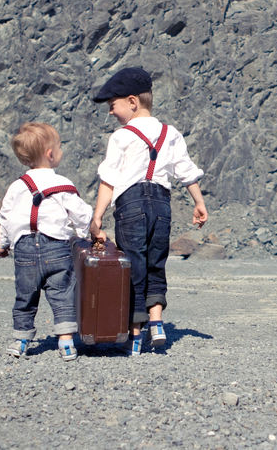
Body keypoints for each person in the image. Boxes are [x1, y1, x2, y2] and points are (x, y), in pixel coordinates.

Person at [90, 67, 207, 356]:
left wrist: (97, 216)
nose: (110, 112)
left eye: (112, 105)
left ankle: (134, 336)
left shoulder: (121, 137)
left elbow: (109, 180)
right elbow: (186, 171)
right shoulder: (171, 133)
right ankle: (157, 324)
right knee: (156, 263)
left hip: (131, 206)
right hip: (162, 206)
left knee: (133, 267)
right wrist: (199, 202)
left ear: (132, 102)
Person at [0, 122, 93, 361]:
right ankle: (67, 343)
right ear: (50, 154)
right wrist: (84, 234)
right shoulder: (63, 185)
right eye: (59, 146)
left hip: (24, 249)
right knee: (62, 294)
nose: (61, 150)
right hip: (56, 248)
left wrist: (4, 244)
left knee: (25, 296)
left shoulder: (17, 186)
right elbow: (82, 214)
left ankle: (21, 341)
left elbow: (5, 218)